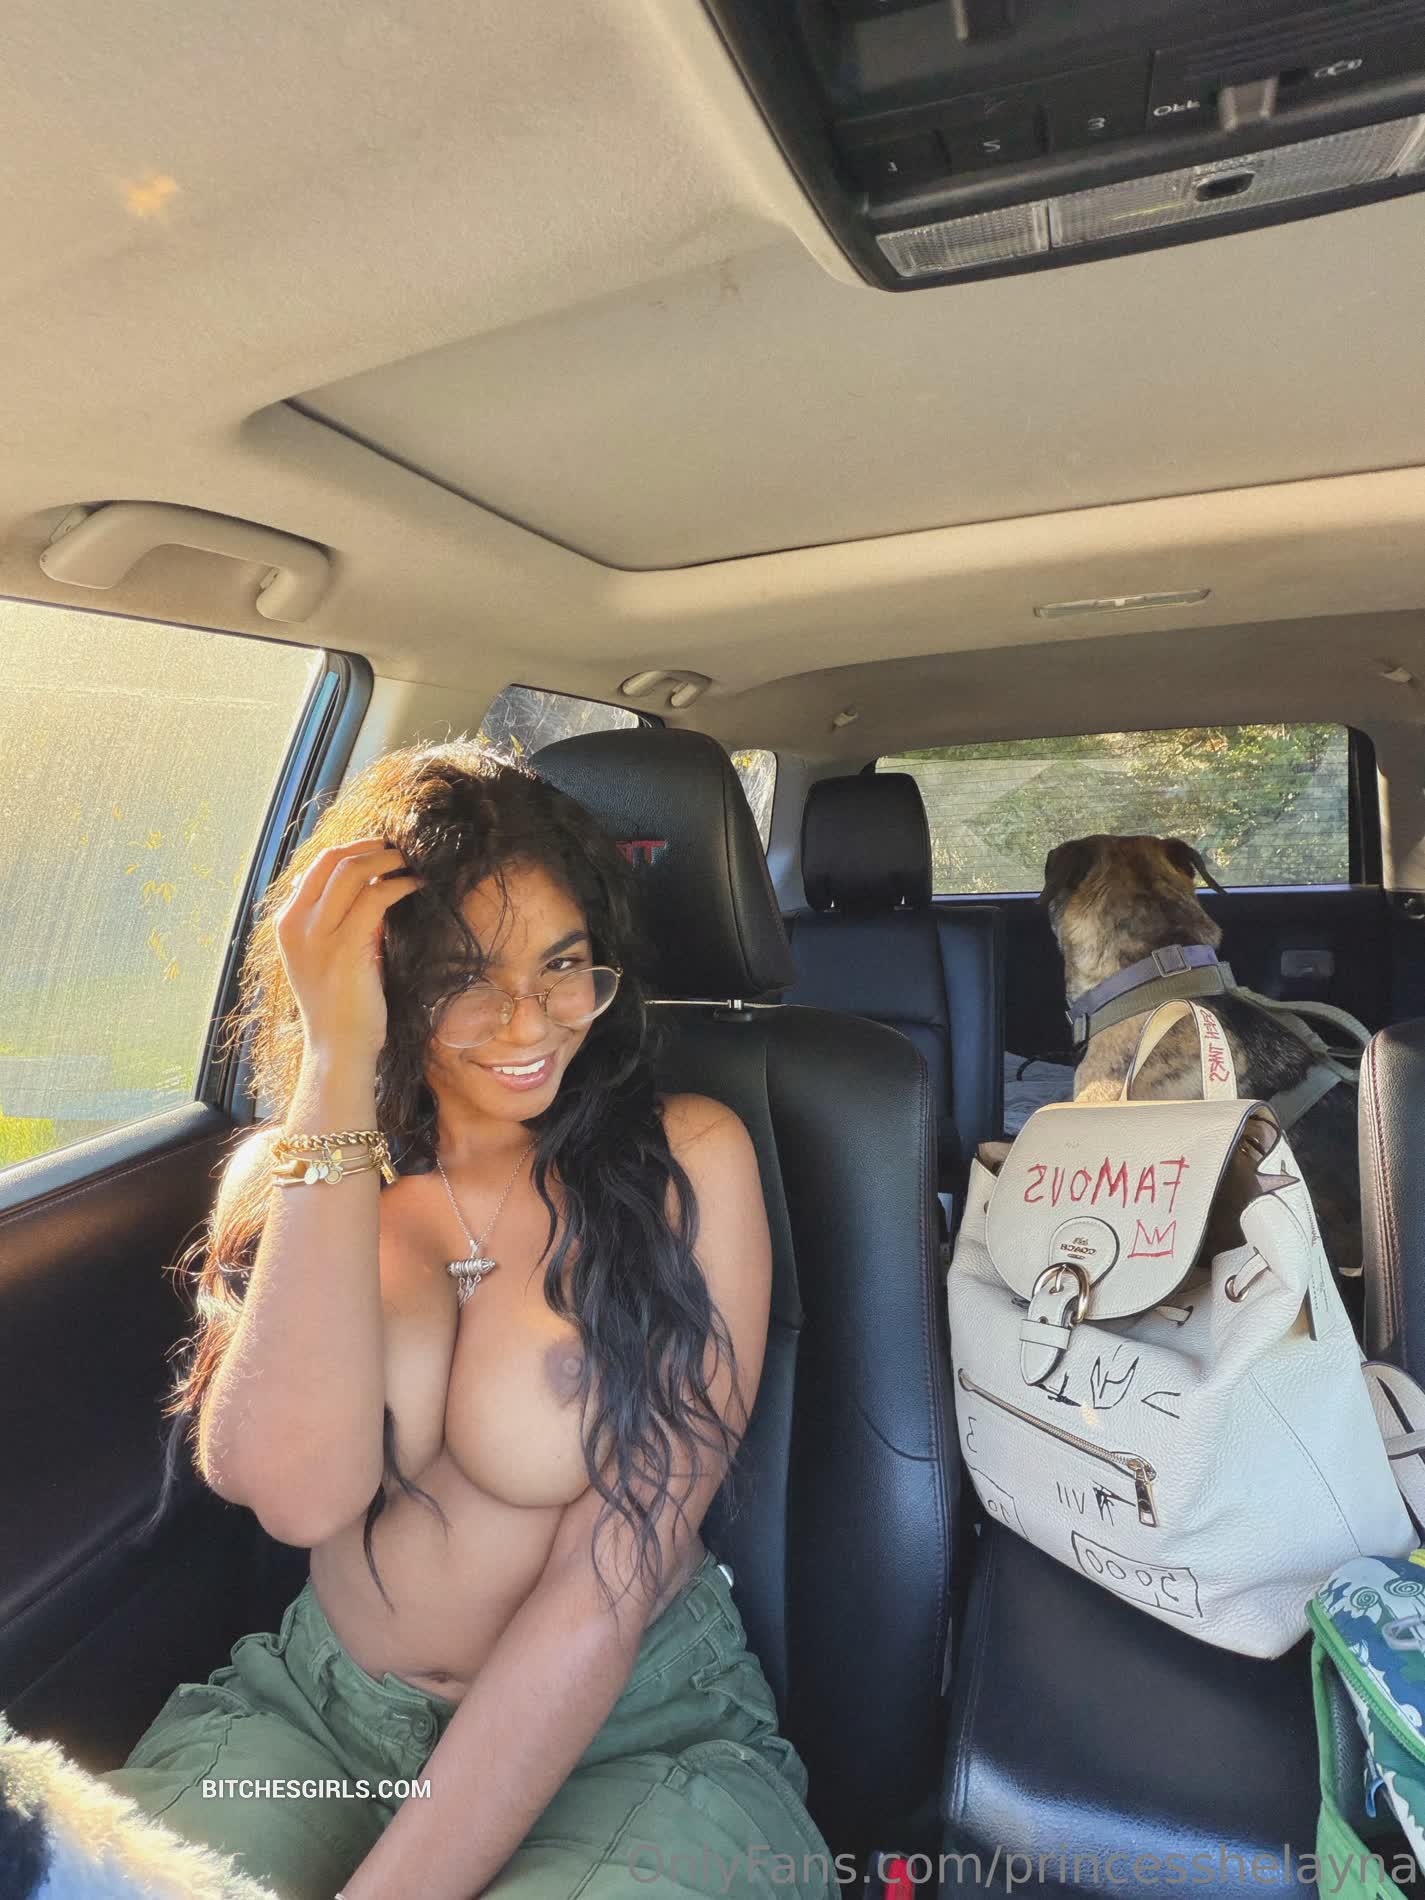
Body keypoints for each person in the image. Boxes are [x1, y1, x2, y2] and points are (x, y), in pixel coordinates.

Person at [98, 740, 835, 1900]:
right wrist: (338, 1066)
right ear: (383, 974)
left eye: (564, 965)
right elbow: (298, 1497)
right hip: (320, 1720)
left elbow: (608, 1585)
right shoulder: (299, 1174)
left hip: (630, 1730)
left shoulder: (688, 1163)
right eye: (468, 976)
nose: (530, 1021)